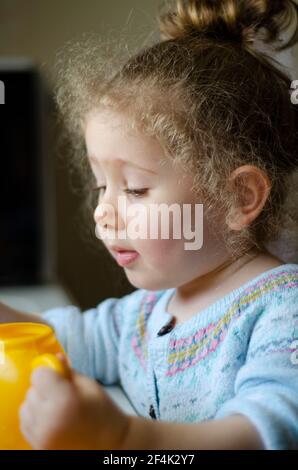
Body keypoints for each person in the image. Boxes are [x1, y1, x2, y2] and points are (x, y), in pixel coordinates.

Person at [1, 0, 298, 450]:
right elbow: (65, 338)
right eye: (103, 186)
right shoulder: (148, 309)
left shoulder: (281, 311)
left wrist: (122, 437)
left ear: (239, 198)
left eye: (135, 189)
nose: (103, 212)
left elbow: (264, 433)